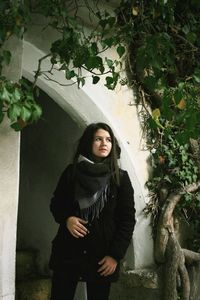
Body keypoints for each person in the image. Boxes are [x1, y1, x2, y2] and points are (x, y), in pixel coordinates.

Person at [49, 122, 136, 300]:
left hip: (102, 256)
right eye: (98, 139)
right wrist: (67, 219)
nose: (104, 143)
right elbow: (56, 204)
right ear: (89, 143)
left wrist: (114, 255)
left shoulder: (120, 178)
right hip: (68, 251)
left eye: (108, 140)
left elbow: (127, 220)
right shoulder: (72, 173)